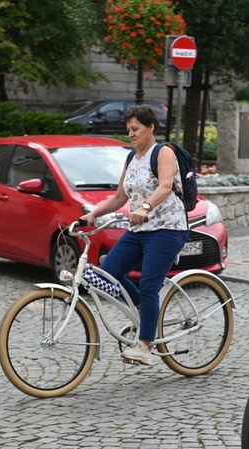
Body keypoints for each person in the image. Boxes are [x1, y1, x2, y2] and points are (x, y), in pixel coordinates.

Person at [80, 104, 189, 366]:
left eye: (135, 129)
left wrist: (145, 207)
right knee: (107, 272)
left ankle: (145, 346)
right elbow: (120, 197)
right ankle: (143, 308)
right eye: (128, 129)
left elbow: (165, 185)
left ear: (150, 127)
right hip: (139, 229)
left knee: (150, 285)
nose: (131, 134)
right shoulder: (132, 158)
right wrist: (92, 214)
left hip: (167, 228)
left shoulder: (162, 152)